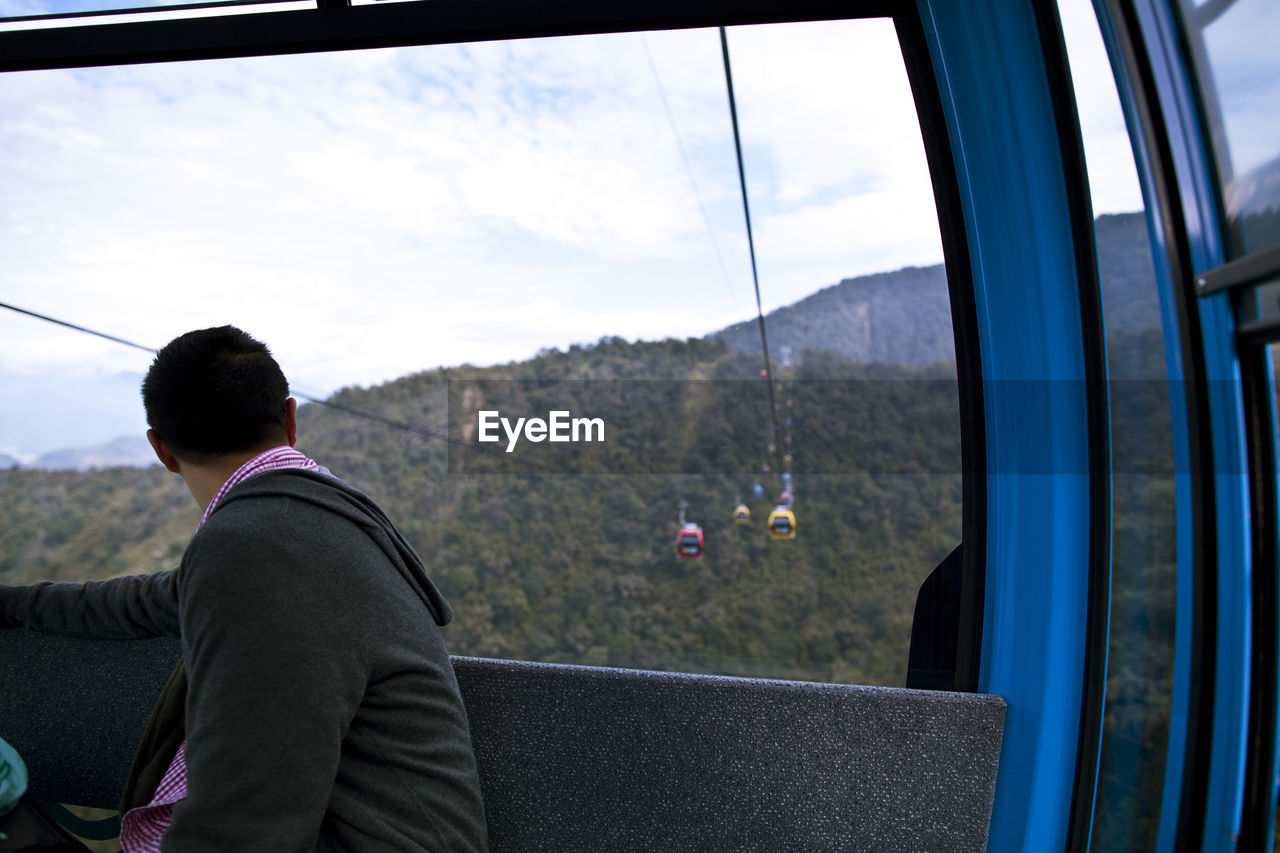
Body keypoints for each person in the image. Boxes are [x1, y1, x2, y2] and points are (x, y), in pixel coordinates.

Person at [0, 326, 489, 851]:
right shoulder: (312, 520)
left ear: (161, 449)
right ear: (290, 420)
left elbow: (245, 825)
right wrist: (14, 604)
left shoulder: (257, 545)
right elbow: (140, 602)